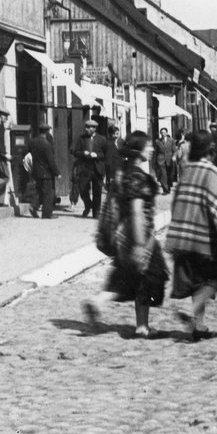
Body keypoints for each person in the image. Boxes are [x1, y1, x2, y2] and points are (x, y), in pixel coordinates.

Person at [165, 131, 217, 339]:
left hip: (181, 237)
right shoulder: (211, 172)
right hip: (202, 238)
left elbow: (177, 203)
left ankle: (199, 326)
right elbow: (214, 211)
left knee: (198, 280)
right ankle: (190, 310)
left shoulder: (186, 171)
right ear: (211, 152)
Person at [83, 131, 169, 338]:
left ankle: (99, 302)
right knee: (150, 278)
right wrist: (141, 244)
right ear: (139, 151)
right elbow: (137, 211)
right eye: (147, 146)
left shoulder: (121, 174)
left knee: (127, 278)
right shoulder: (139, 178)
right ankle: (142, 326)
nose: (151, 149)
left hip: (121, 237)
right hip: (140, 236)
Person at [72, 118, 108, 217]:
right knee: (83, 189)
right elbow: (75, 152)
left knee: (97, 191)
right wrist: (83, 153)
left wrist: (96, 155)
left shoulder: (102, 139)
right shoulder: (81, 138)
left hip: (97, 168)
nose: (87, 129)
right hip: (85, 168)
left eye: (89, 127)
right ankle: (88, 205)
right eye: (86, 127)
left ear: (94, 128)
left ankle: (96, 213)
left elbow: (106, 154)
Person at [27, 122, 60, 219]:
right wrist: (57, 172)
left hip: (36, 171)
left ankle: (33, 206)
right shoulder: (46, 144)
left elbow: (28, 153)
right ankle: (47, 214)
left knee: (39, 191)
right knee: (48, 193)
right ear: (47, 132)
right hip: (46, 172)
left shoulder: (32, 142)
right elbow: (50, 160)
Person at [154, 127, 175, 193]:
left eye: (164, 132)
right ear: (160, 133)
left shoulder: (171, 140)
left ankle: (168, 187)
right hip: (161, 160)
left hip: (169, 160)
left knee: (169, 175)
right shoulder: (157, 141)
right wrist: (154, 161)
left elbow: (175, 150)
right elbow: (156, 152)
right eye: (162, 132)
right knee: (163, 175)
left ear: (167, 133)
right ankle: (165, 189)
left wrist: (174, 156)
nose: (163, 134)